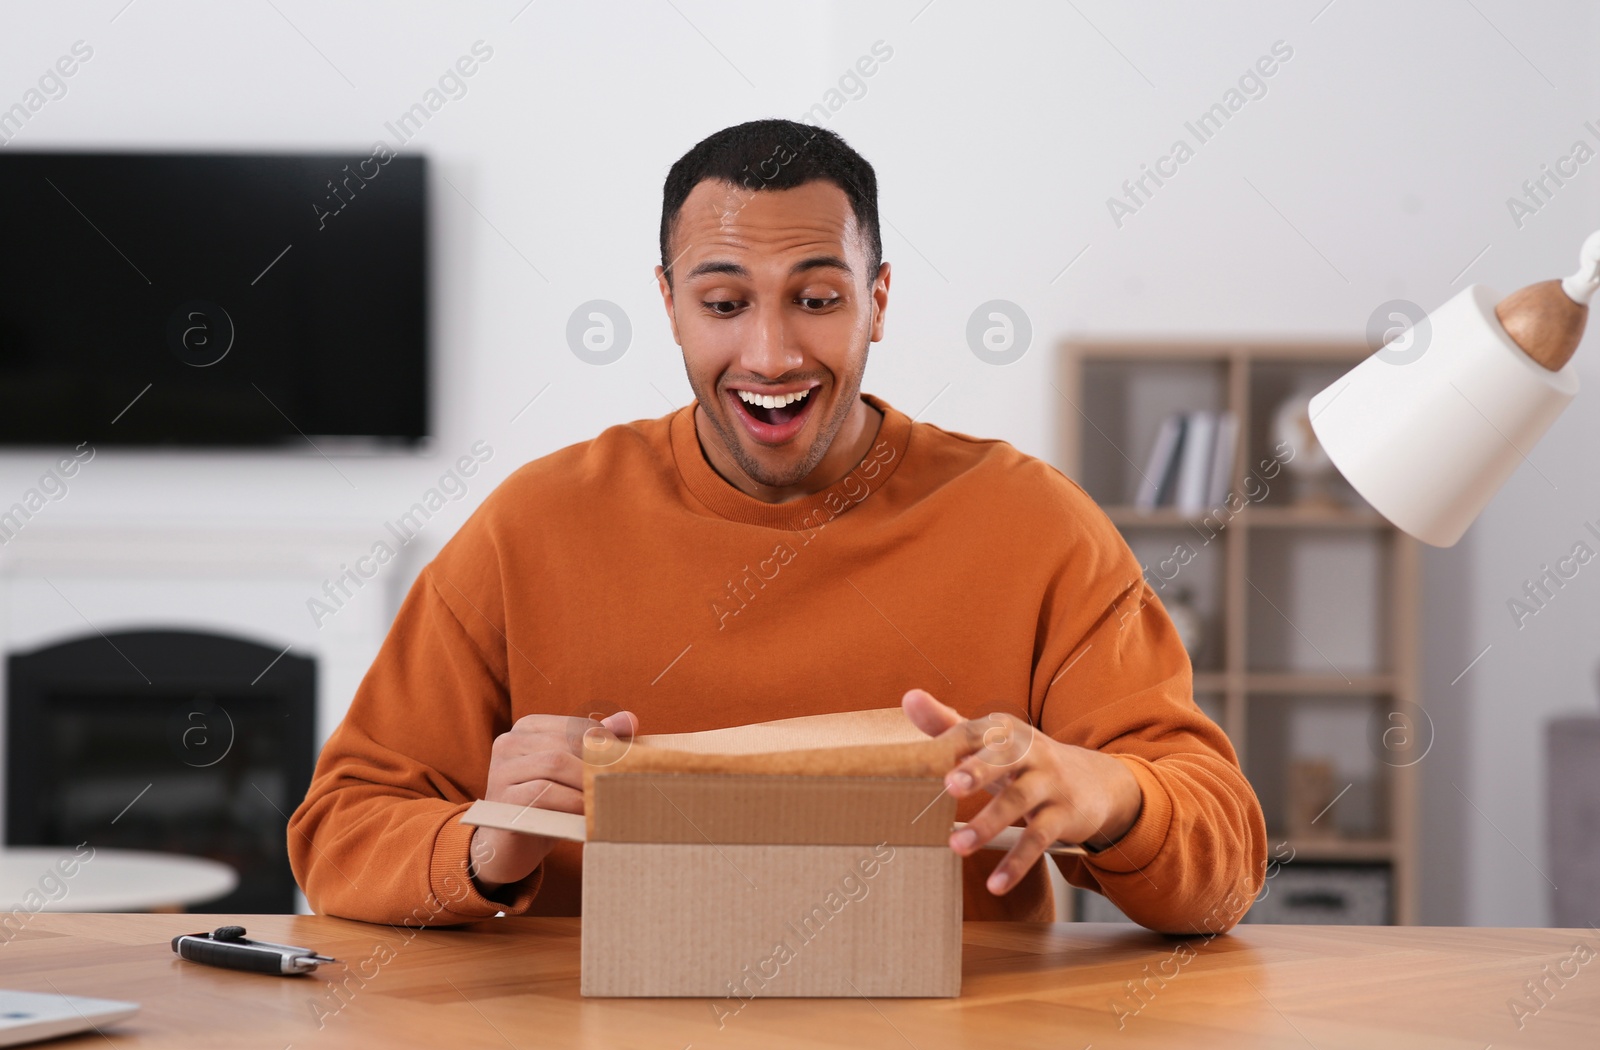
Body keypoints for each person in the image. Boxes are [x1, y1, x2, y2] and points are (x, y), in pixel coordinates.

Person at [288, 118, 1267, 934]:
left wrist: (1102, 793)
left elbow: (1225, 869)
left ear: (876, 302)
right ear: (668, 306)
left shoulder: (1033, 521)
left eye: (816, 298)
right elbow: (338, 831)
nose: (769, 351)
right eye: (723, 301)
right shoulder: (531, 524)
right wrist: (485, 848)